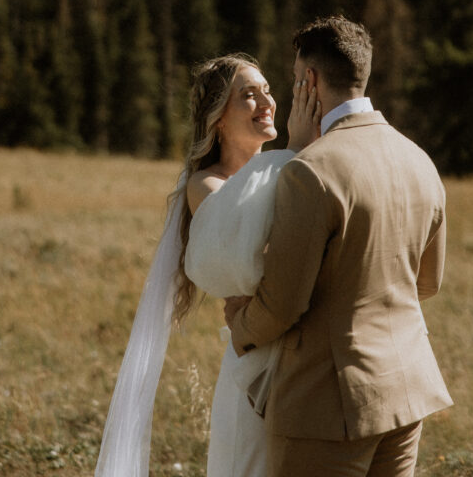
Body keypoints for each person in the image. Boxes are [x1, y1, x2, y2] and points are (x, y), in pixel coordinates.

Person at [226, 16, 453, 477]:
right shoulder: (419, 159)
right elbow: (427, 282)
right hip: (406, 393)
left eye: (293, 81)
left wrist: (239, 325)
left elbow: (283, 304)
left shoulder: (311, 171)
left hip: (327, 405)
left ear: (309, 81)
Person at [94, 52, 320, 477]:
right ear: (218, 118)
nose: (267, 103)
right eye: (248, 96)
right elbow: (252, 262)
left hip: (302, 361)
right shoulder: (207, 185)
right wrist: (296, 151)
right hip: (252, 364)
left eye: (268, 91)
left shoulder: (286, 169)